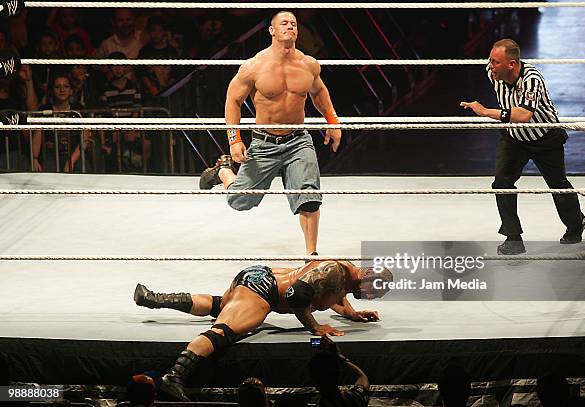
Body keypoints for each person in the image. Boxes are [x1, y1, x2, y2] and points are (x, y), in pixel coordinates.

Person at [133, 260, 393, 401]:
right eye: (375, 292)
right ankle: (175, 376)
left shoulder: (345, 277)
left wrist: (351, 314)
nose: (373, 298)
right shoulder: (335, 271)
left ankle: (153, 298)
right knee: (225, 330)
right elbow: (297, 294)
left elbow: (333, 294)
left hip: (257, 277)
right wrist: (315, 327)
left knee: (222, 305)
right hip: (265, 290)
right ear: (368, 280)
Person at [199, 11, 342, 256]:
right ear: (272, 31)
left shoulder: (308, 64)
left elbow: (319, 93)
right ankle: (223, 171)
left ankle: (311, 256)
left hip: (298, 141)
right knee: (240, 201)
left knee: (308, 196)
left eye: (294, 24)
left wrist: (332, 121)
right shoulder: (254, 66)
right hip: (264, 142)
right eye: (284, 23)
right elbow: (233, 100)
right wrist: (235, 141)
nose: (290, 27)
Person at [460, 38, 585, 255]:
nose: (491, 66)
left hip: (544, 136)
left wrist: (484, 111)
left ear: (512, 64)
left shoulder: (531, 79)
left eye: (496, 62)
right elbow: (514, 118)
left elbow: (524, 115)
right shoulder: (493, 72)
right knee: (502, 183)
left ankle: (576, 224)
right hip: (514, 137)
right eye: (490, 61)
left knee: (558, 184)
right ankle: (513, 237)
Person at [309, 336, 370, 407]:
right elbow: (362, 377)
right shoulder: (354, 398)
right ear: (339, 374)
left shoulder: (316, 403)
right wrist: (340, 356)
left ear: (312, 379)